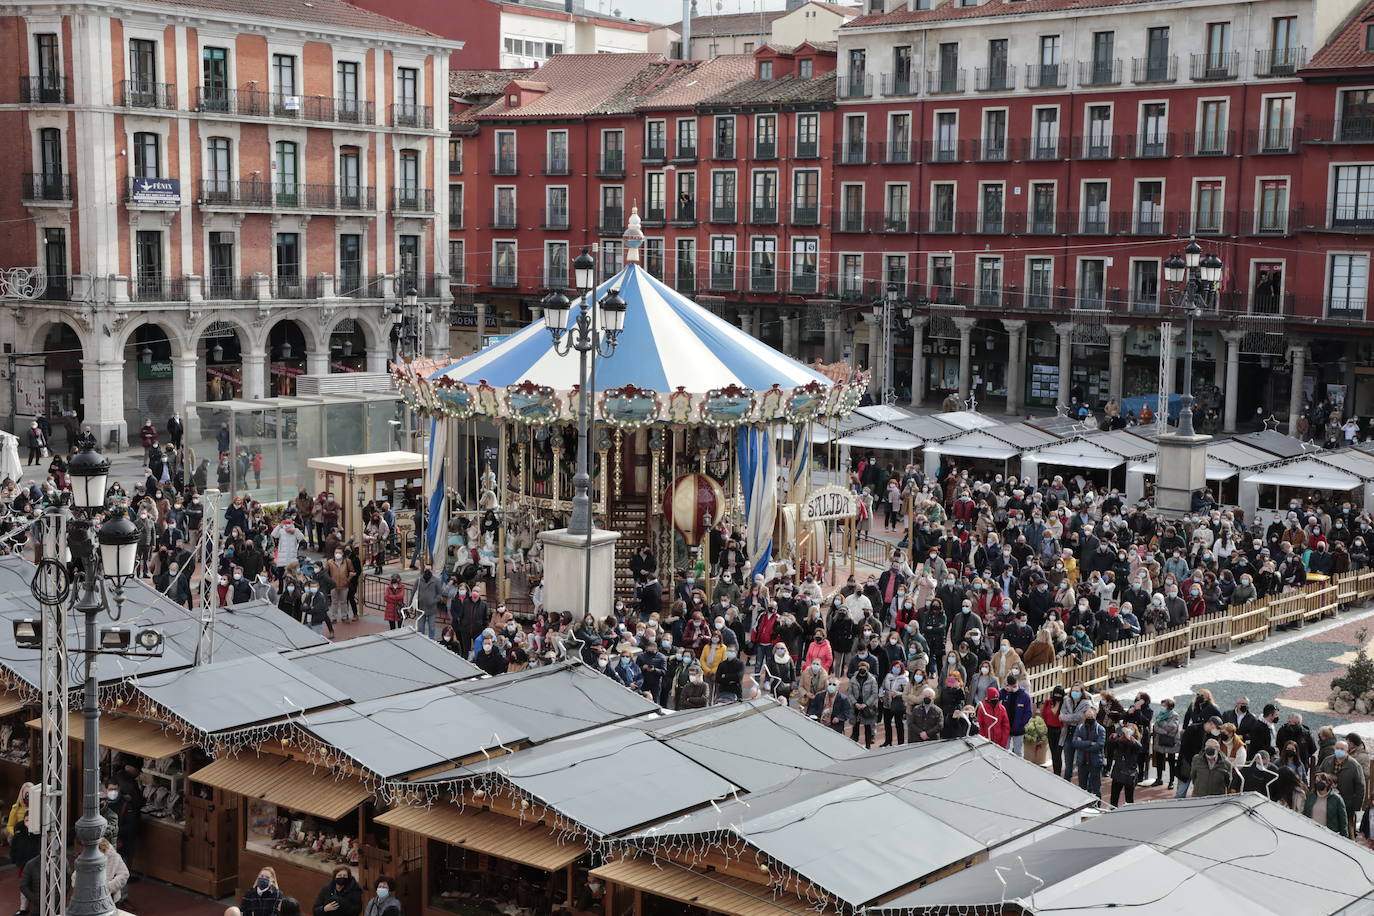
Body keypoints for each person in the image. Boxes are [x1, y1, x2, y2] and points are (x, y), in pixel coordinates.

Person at [1317, 738, 1366, 839]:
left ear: (1347, 750)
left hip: (1346, 802)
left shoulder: (1354, 765)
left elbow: (1360, 786)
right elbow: (1318, 774)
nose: (1339, 750)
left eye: (1342, 749)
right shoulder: (1327, 761)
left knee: (1347, 828)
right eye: (1337, 748)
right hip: (1327, 799)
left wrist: (1356, 806)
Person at [1070, 711, 1106, 798]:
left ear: (1095, 717)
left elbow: (1099, 745)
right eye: (1087, 717)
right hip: (1082, 763)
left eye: (1091, 717)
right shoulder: (1079, 728)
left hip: (1095, 763)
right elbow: (1074, 743)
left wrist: (1082, 744)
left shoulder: (1100, 729)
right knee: (1082, 788)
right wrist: (1090, 743)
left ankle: (1097, 807)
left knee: (1095, 789)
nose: (1089, 719)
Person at [1306, 773, 1352, 838]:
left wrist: (1344, 838)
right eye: (1316, 781)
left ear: (1327, 783)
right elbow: (1305, 815)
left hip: (1330, 836)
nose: (1318, 783)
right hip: (1312, 834)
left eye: (1321, 781)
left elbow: (1343, 821)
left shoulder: (1337, 799)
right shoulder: (1310, 797)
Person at [848, 661, 879, 747]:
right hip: (856, 706)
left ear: (867, 669)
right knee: (855, 726)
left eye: (864, 668)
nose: (862, 670)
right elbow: (850, 693)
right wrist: (855, 703)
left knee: (868, 727)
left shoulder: (872, 680)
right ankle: (854, 744)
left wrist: (866, 704)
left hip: (867, 707)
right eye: (860, 668)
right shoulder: (853, 679)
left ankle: (868, 745)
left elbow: (874, 693)